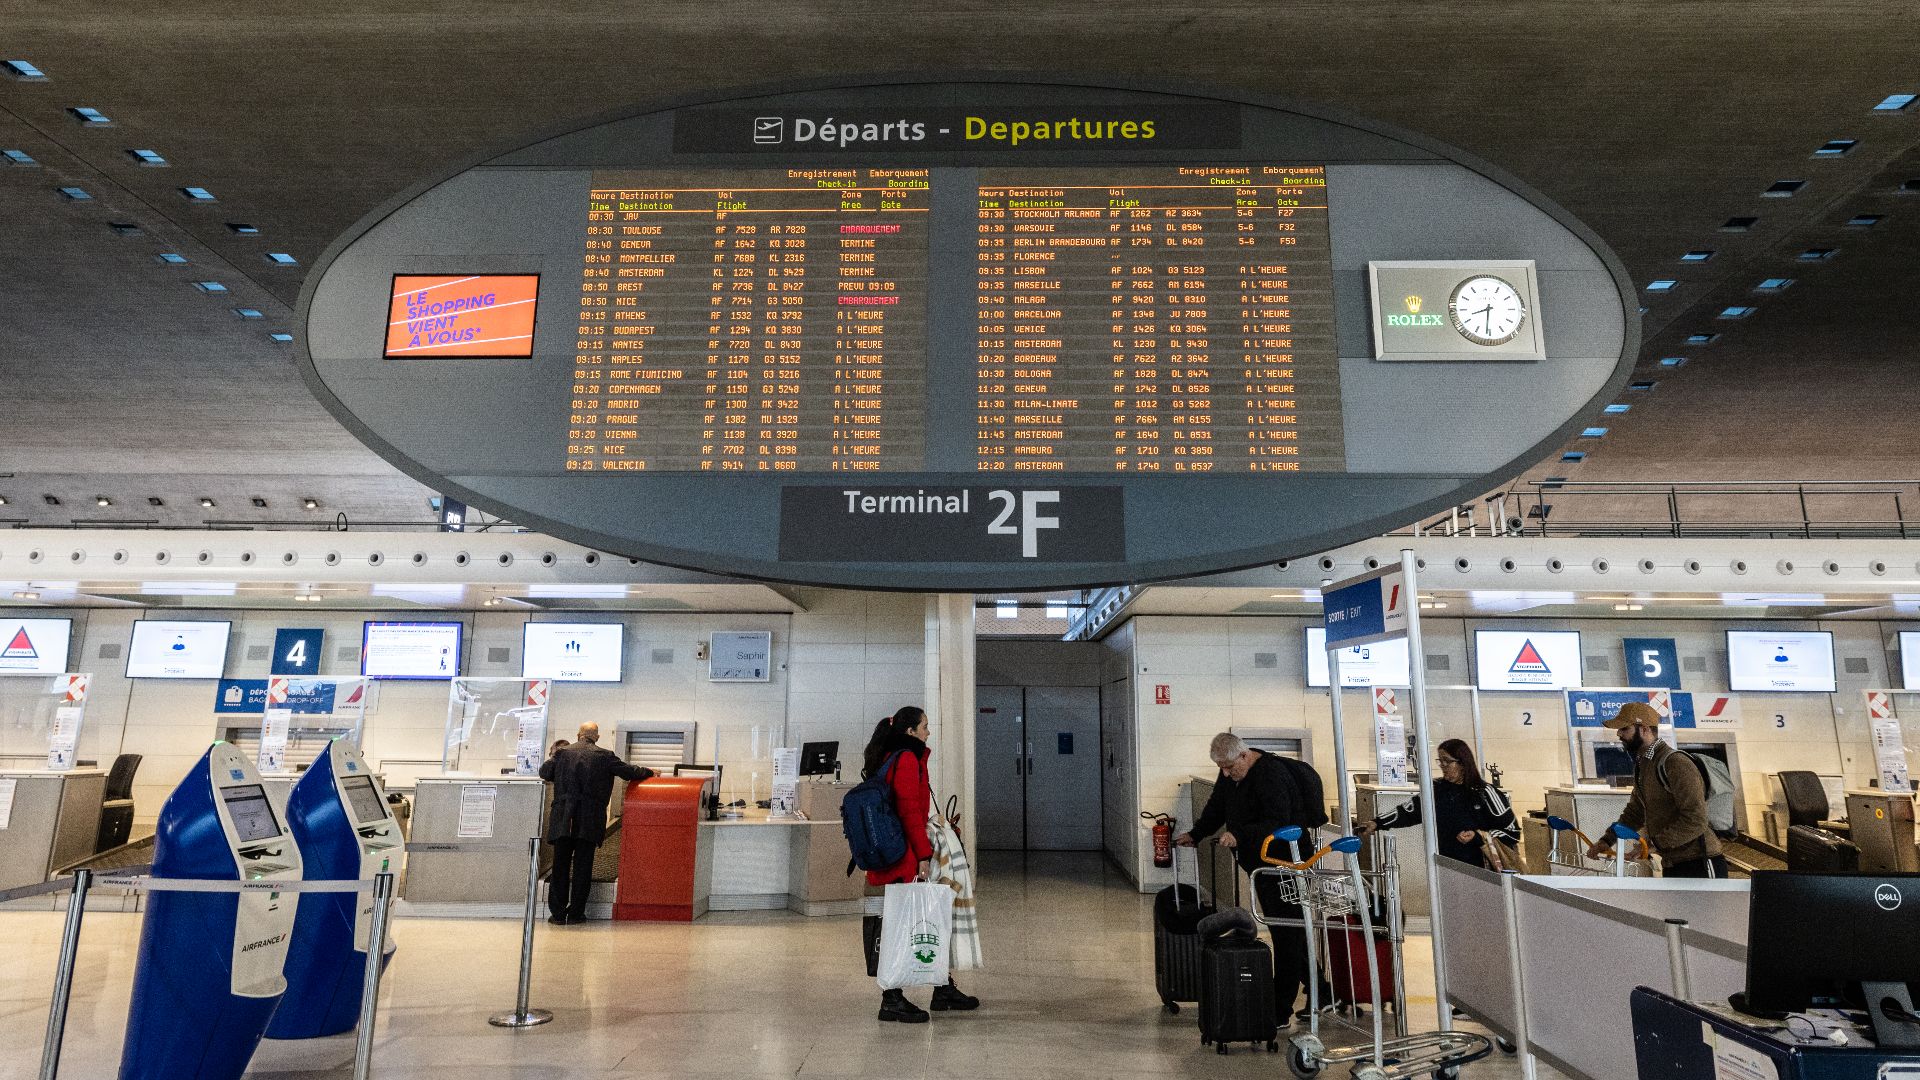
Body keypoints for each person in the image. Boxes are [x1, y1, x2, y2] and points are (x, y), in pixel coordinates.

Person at [1175, 732, 1320, 1024]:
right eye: (1221, 768)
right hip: (1261, 865)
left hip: (1286, 864)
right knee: (1289, 930)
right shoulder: (1230, 774)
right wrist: (1196, 834)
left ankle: (1280, 1010)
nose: (1226, 774)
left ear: (1244, 755)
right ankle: (1325, 993)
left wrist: (1239, 834)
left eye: (1230, 767)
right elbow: (1217, 806)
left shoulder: (1271, 775)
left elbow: (1279, 821)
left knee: (1285, 934)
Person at [859, 706, 980, 1023]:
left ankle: (942, 986)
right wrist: (924, 856)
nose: (929, 732)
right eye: (924, 726)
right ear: (910, 731)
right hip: (903, 859)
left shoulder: (891, 757)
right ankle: (892, 999)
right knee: (903, 926)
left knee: (925, 920)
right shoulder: (906, 760)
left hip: (895, 855)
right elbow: (910, 813)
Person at [1585, 701, 1727, 878]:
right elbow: (1635, 812)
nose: (1619, 734)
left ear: (1644, 729)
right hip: (1672, 863)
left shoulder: (1675, 763)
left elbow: (1696, 819)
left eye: (1624, 728)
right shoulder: (1644, 764)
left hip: (1701, 862)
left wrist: (1653, 844)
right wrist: (1607, 840)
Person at [539, 722, 652, 924]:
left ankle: (557, 914)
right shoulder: (605, 756)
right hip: (589, 820)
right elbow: (630, 772)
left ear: (578, 734)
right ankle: (576, 914)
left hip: (563, 818)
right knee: (583, 867)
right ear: (597, 737)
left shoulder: (562, 753)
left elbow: (545, 772)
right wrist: (649, 772)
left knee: (560, 866)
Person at [1357, 738, 1519, 870]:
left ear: (1462, 764)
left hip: (1482, 870)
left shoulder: (1485, 792)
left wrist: (1478, 836)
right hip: (1444, 865)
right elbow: (1409, 811)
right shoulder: (1436, 789)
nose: (1443, 766)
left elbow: (1512, 831)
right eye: (1440, 761)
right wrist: (1377, 823)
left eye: (1447, 761)